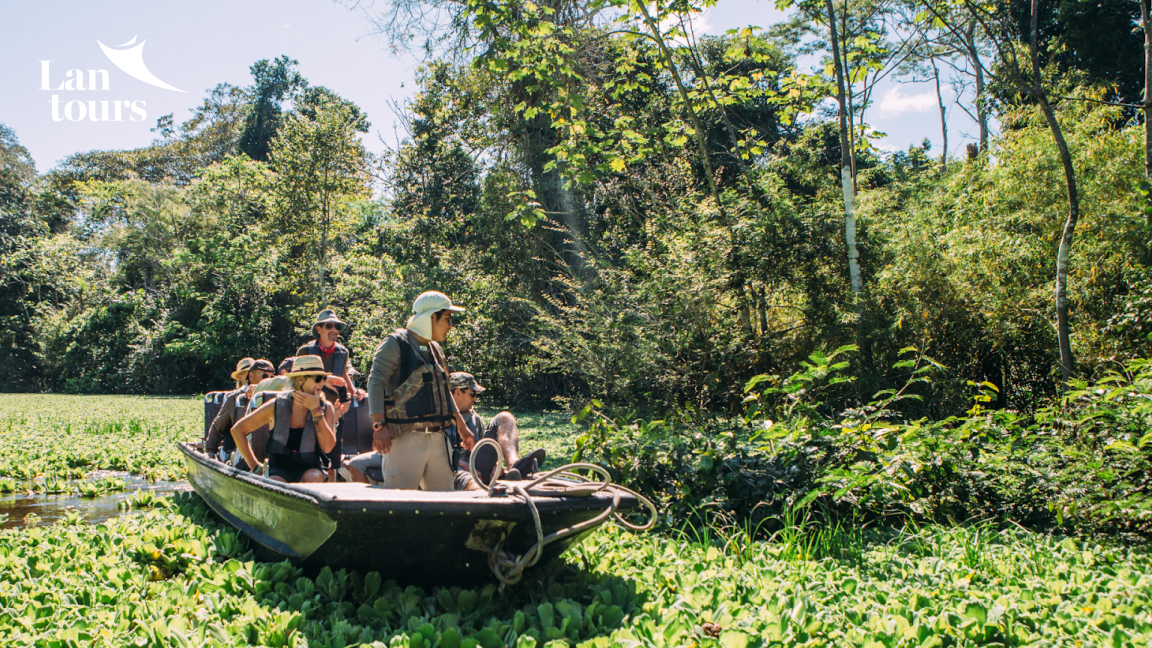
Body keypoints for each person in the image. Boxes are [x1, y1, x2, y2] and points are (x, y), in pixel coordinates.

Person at [366, 291, 474, 490]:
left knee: (445, 506)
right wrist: (379, 426)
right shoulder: (395, 343)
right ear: (432, 317)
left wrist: (461, 425)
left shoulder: (436, 350)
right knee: (400, 507)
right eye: (447, 319)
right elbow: (375, 382)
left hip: (438, 439)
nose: (451, 326)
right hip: (404, 439)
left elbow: (443, 389)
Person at [230, 355, 337, 483]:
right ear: (300, 380)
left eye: (324, 378)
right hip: (279, 469)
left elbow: (328, 448)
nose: (322, 383)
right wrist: (255, 468)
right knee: (276, 483)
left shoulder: (326, 408)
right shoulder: (276, 405)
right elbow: (237, 430)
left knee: (314, 477)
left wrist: (316, 411)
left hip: (310, 468)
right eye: (318, 378)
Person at [444, 372, 545, 489]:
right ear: (457, 393)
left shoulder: (474, 418)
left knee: (505, 417)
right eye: (472, 394)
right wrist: (462, 464)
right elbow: (434, 455)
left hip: (477, 466)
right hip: (454, 469)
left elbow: (483, 447)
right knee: (469, 480)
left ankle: (515, 466)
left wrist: (496, 466)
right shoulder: (436, 419)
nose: (475, 399)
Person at [203, 357, 275, 468]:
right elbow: (218, 426)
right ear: (251, 376)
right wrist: (210, 450)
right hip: (239, 452)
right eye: (264, 376)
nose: (268, 380)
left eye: (272, 377)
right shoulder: (236, 398)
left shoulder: (275, 396)